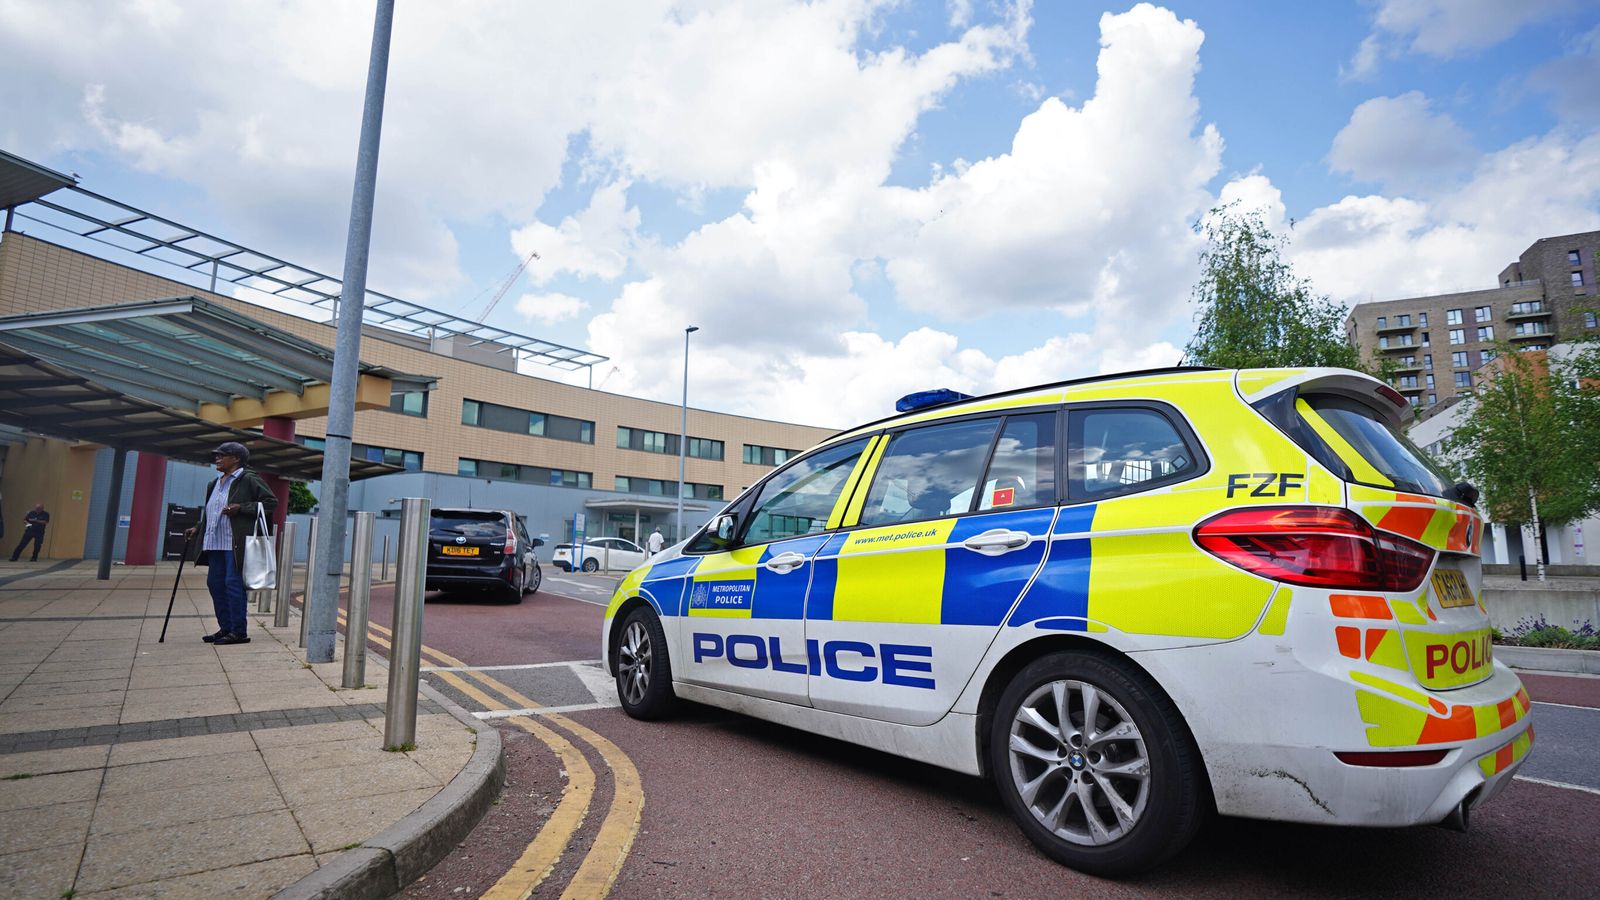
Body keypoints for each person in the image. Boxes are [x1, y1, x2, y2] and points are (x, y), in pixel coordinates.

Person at [185, 442, 276, 645]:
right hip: (214, 541)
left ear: (236, 459)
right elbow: (212, 512)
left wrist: (241, 507)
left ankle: (238, 632)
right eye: (216, 455)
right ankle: (225, 628)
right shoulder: (214, 483)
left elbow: (270, 503)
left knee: (233, 584)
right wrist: (198, 527)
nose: (217, 458)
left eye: (222, 455)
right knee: (215, 584)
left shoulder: (249, 479)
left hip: (234, 543)